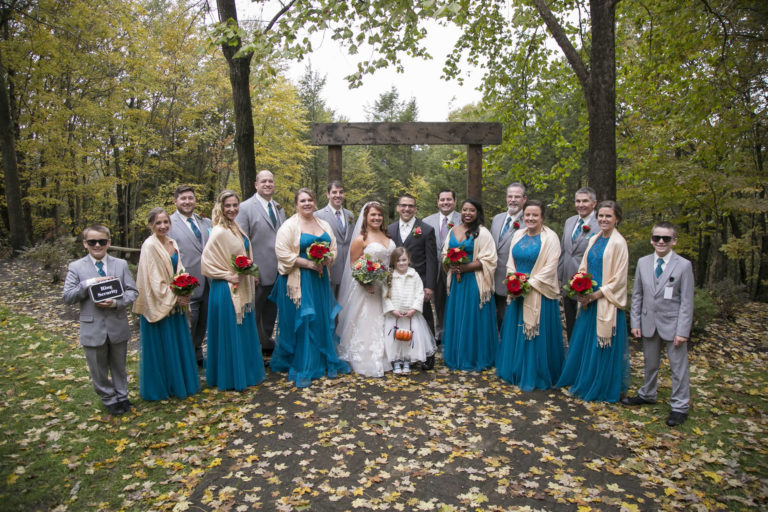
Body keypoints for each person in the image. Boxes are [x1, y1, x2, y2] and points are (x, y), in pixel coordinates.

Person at [269, 188, 351, 387]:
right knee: (305, 320)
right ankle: (305, 361)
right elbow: (282, 252)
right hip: (299, 279)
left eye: (310, 200)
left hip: (320, 279)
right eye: (303, 201)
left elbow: (333, 249)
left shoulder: (322, 224)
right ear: (297, 204)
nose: (307, 204)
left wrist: (326, 259)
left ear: (315, 202)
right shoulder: (289, 226)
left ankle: (322, 358)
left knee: (320, 318)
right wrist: (306, 263)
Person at [622, 222, 694, 427]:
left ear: (674, 241)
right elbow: (637, 295)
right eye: (657, 238)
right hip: (648, 322)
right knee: (650, 363)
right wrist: (635, 321)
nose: (661, 242)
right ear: (651, 240)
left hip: (673, 324)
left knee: (678, 367)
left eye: (666, 238)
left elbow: (687, 301)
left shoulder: (683, 265)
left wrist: (683, 331)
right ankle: (647, 393)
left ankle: (680, 406)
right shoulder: (644, 262)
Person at [557, 200, 630, 402]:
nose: (604, 219)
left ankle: (601, 386)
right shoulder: (595, 238)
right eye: (601, 216)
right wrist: (580, 284)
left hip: (605, 300)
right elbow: (584, 266)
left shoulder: (618, 243)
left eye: (608, 216)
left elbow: (619, 278)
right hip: (588, 299)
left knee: (602, 345)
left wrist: (596, 294)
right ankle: (585, 379)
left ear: (617, 219)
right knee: (586, 343)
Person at [63, 225, 138, 415]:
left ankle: (123, 396)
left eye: (102, 241)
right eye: (92, 242)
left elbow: (132, 291)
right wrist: (87, 284)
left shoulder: (120, 264)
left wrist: (116, 302)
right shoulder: (76, 267)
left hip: (117, 323)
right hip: (92, 326)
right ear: (85, 244)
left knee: (119, 365)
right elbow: (68, 296)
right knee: (98, 367)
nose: (97, 245)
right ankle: (109, 398)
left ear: (109, 243)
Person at [133, 208, 201, 401]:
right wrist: (174, 296)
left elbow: (179, 268)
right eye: (158, 223)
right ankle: (163, 386)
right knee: (163, 345)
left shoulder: (172, 242)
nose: (163, 226)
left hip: (176, 298)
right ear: (151, 225)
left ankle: (180, 382)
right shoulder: (149, 246)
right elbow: (153, 279)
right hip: (160, 301)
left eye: (165, 222)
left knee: (178, 342)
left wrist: (185, 288)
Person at [201, 190, 266, 391]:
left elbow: (243, 253)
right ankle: (231, 376)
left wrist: (252, 272)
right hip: (226, 289)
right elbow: (206, 263)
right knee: (231, 330)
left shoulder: (235, 227)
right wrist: (226, 275)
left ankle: (246, 371)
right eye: (227, 206)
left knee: (243, 327)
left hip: (241, 285)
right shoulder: (219, 231)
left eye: (235, 205)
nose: (232, 209)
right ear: (220, 207)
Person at [496, 200, 564, 390]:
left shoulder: (550, 238)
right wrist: (513, 280)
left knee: (535, 335)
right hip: (518, 294)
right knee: (518, 332)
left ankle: (536, 373)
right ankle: (516, 370)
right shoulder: (518, 234)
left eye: (535, 215)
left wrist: (527, 284)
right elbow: (510, 261)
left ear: (542, 217)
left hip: (540, 293)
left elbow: (551, 267)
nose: (531, 218)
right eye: (528, 215)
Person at [337, 201, 395, 377]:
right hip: (367, 289)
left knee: (387, 320)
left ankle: (391, 355)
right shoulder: (360, 239)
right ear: (366, 217)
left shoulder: (387, 236)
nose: (376, 218)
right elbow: (354, 265)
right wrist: (365, 282)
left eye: (379, 215)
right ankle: (367, 358)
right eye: (373, 215)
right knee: (368, 322)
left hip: (386, 288)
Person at [441, 198, 499, 371]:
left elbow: (489, 259)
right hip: (457, 283)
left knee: (473, 319)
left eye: (472, 210)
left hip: (474, 281)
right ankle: (457, 355)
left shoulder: (482, 233)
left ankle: (474, 358)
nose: (467, 213)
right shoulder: (453, 230)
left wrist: (464, 267)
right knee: (458, 317)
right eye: (465, 210)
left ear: (478, 213)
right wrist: (449, 262)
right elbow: (445, 252)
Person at [235, 170, 286, 354]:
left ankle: (265, 343)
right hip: (257, 271)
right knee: (254, 311)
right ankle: (251, 348)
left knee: (271, 312)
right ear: (256, 184)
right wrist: (249, 270)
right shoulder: (245, 208)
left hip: (278, 271)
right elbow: (241, 241)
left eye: (270, 181)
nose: (267, 184)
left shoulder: (279, 208)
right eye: (263, 181)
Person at [387, 193, 437, 369]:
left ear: (415, 209)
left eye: (410, 206)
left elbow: (432, 260)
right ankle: (400, 355)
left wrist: (429, 286)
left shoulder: (426, 229)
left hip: (419, 282)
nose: (406, 209)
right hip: (396, 284)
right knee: (398, 320)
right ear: (398, 208)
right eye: (403, 205)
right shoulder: (390, 229)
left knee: (423, 319)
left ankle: (426, 357)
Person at [168, 185, 212, 367]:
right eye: (183, 198)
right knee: (189, 322)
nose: (187, 201)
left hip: (208, 281)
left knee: (203, 320)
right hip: (186, 282)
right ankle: (183, 359)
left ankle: (197, 352)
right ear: (175, 201)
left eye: (190, 198)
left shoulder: (206, 222)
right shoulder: (168, 224)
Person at [382, 247, 437, 375]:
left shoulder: (414, 275)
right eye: (398, 261)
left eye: (404, 260)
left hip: (410, 315)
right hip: (394, 316)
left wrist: (414, 308)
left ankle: (407, 361)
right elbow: (385, 295)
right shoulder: (389, 276)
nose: (401, 263)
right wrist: (392, 309)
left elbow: (419, 293)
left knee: (409, 338)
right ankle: (396, 361)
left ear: (409, 260)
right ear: (393, 262)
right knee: (394, 340)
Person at [558, 187, 599, 340]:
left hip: (589, 284)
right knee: (570, 325)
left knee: (586, 327)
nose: (581, 204)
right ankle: (571, 358)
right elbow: (564, 252)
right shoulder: (570, 222)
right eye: (578, 201)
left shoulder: (600, 224)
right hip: (568, 284)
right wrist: (559, 278)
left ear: (594, 203)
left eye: (585, 201)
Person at [422, 189, 461, 348]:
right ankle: (439, 334)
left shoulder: (462, 219)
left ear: (455, 201)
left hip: (456, 269)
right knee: (438, 302)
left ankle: (455, 333)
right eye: (442, 200)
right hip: (434, 268)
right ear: (437, 202)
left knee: (455, 301)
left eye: (449, 199)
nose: (445, 202)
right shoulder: (427, 220)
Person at [490, 183, 527, 328]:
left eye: (517, 197)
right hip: (494, 277)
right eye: (510, 196)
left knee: (510, 320)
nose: (513, 200)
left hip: (515, 278)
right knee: (496, 319)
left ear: (524, 199)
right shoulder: (497, 219)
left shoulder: (528, 220)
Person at [314, 180, 354, 298]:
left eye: (341, 192)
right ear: (328, 194)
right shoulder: (318, 215)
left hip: (348, 268)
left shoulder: (350, 215)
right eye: (334, 192)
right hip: (330, 267)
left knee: (345, 303)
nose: (338, 195)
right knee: (329, 303)